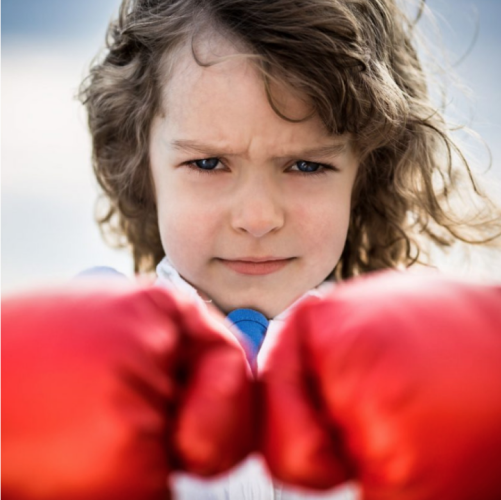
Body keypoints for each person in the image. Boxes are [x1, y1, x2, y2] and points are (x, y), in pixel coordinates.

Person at [76, 0, 501, 498]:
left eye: (305, 166)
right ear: (140, 164)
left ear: (366, 174)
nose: (258, 219)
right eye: (209, 163)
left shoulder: (419, 359)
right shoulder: (99, 346)